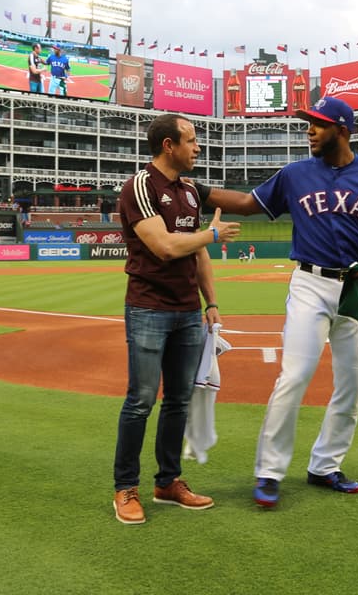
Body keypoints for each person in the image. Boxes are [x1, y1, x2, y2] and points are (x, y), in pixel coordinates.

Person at [200, 96, 358, 509]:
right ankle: (269, 471)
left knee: (351, 384)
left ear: (343, 130)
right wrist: (198, 189)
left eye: (317, 124)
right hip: (309, 284)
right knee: (294, 375)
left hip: (356, 288)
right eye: (307, 123)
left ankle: (325, 466)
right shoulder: (295, 174)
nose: (309, 130)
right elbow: (248, 205)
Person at [112, 112, 241, 526]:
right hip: (149, 308)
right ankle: (125, 487)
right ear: (168, 145)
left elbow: (197, 252)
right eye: (190, 140)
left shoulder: (188, 191)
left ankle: (168, 481)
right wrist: (213, 235)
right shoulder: (140, 186)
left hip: (187, 311)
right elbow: (166, 247)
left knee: (179, 401)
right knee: (141, 400)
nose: (197, 147)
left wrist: (212, 303)